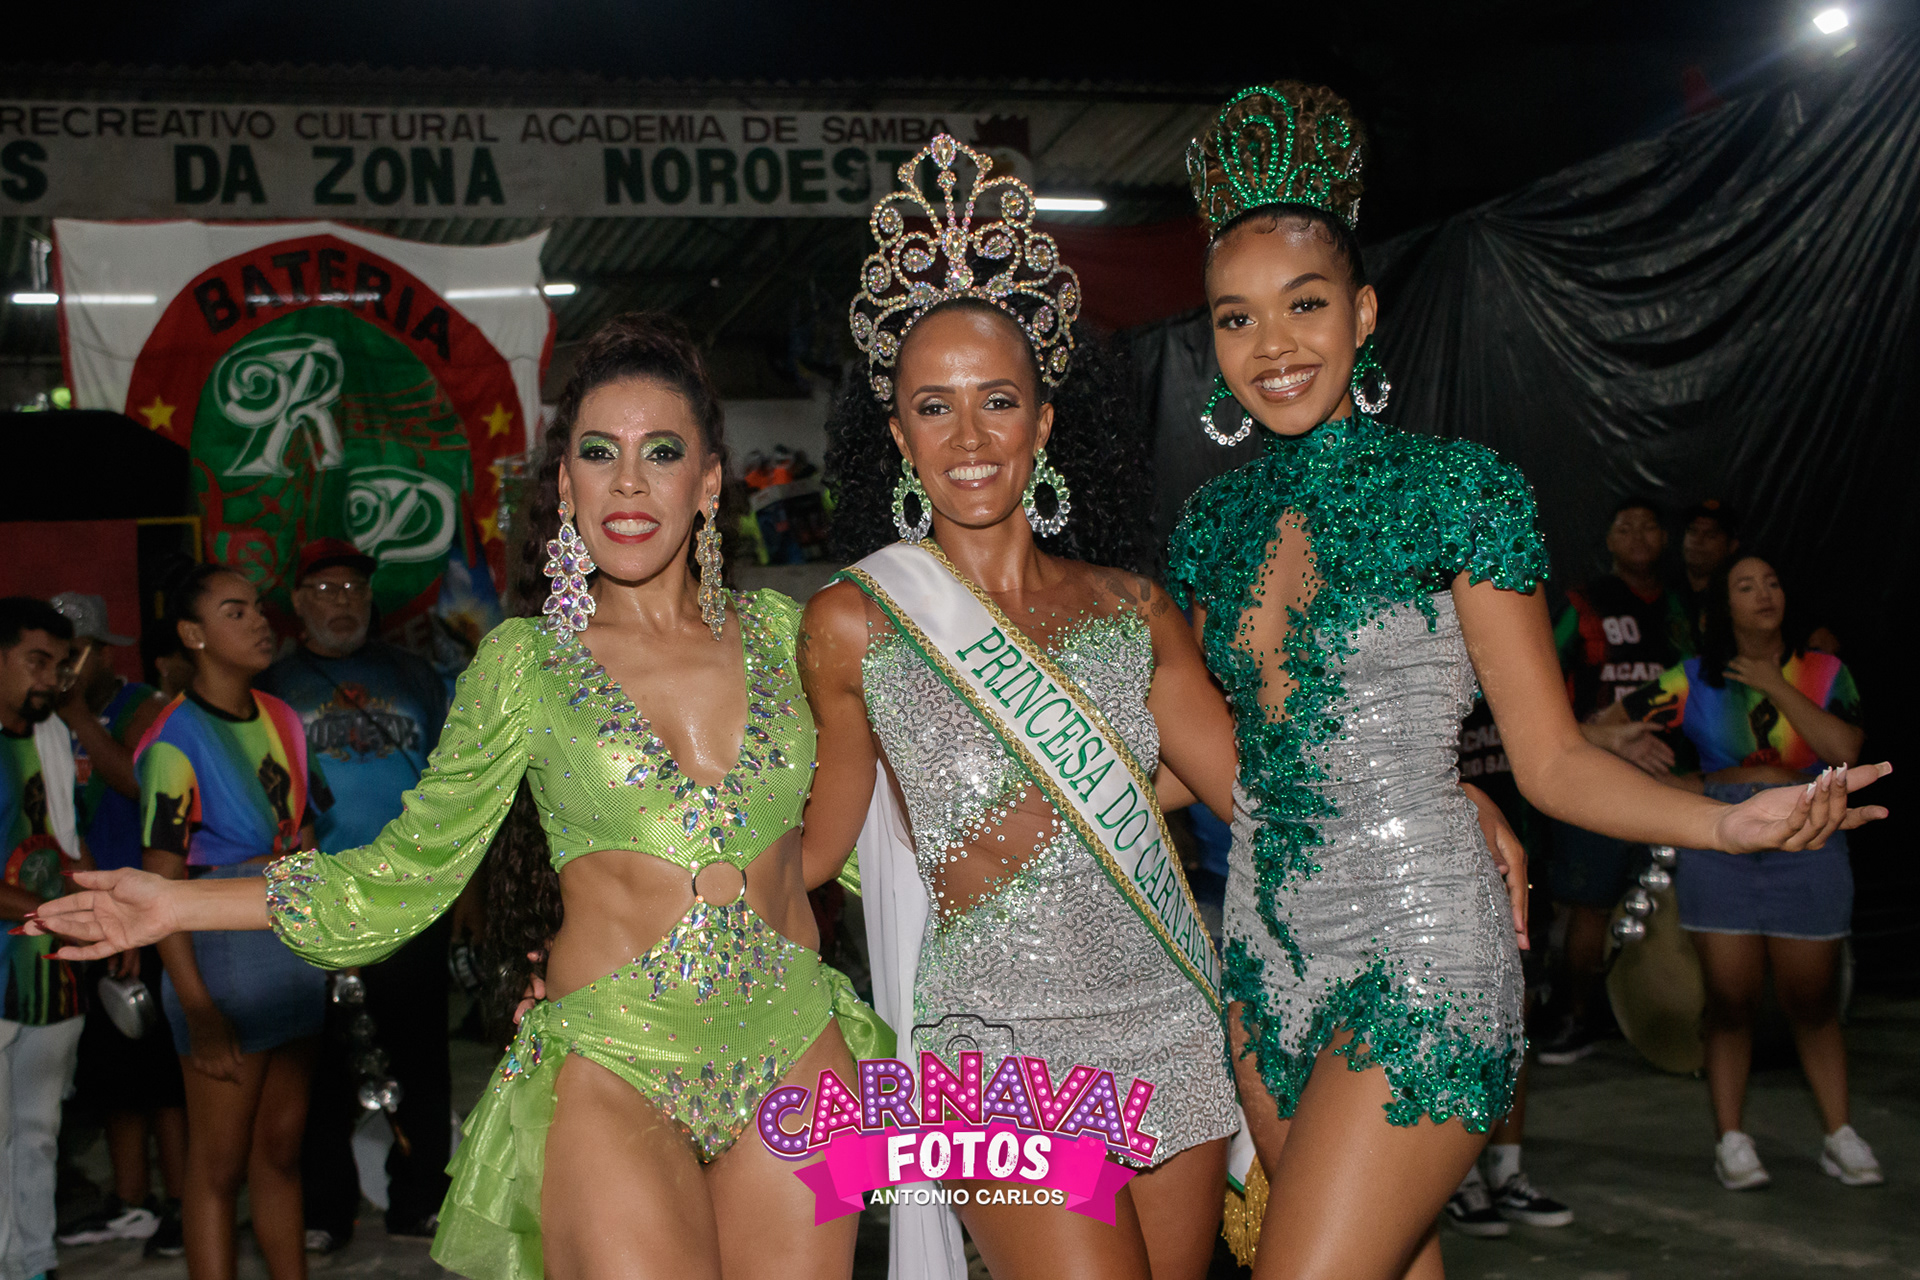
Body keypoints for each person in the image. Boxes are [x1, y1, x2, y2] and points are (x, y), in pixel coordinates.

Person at [1167, 82, 1886, 1280]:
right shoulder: (1210, 530)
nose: (1274, 343)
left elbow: (1550, 759)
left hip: (1423, 941)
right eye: (1236, 317)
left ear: (1364, 311)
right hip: (1264, 957)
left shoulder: (1460, 491)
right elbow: (1209, 759)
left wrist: (1729, 823)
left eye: (1304, 303)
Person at [28, 313, 891, 1280]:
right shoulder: (525, 665)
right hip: (617, 1060)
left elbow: (858, 837)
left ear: (711, 483)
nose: (629, 483)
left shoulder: (787, 635)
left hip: (794, 1044)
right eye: (598, 454)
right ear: (564, 487)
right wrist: (177, 902)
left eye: (662, 452)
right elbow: (408, 870)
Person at [800, 134, 1244, 1280]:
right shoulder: (856, 621)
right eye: (933, 407)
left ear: (1042, 423)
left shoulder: (1134, 608)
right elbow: (809, 851)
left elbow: (1259, 793)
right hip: (991, 1047)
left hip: (1167, 1015)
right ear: (898, 434)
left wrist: (1437, 805)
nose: (968, 438)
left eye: (996, 401)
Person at [1593, 555, 1881, 1190]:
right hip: (1721, 840)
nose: (1763, 594)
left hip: (1810, 833)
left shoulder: (1823, 670)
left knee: (1813, 998)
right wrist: (1664, 774)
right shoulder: (1695, 677)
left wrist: (1774, 683)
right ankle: (1731, 1139)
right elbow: (1592, 733)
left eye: (1772, 582)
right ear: (1723, 607)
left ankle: (1840, 1134)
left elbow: (1843, 750)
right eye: (1745, 586)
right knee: (1729, 1000)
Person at [117, 563, 327, 1280]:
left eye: (258, 608)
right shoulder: (174, 741)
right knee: (216, 1169)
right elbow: (160, 891)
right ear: (192, 634)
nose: (259, 621)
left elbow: (305, 836)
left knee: (281, 1151)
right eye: (235, 612)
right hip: (221, 958)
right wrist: (198, 1008)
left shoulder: (283, 718)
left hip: (291, 944)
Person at [257, 539, 456, 1250]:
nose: (342, 602)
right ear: (298, 603)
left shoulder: (416, 676)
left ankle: (419, 1199)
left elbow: (454, 780)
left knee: (419, 1052)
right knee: (323, 1060)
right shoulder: (273, 686)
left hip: (411, 894)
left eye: (354, 589)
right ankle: (325, 1208)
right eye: (326, 589)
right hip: (319, 892)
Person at [45, 592, 186, 1257]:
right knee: (111, 1069)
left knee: (160, 1071)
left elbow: (141, 784)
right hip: (85, 908)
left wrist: (77, 713)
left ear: (103, 651)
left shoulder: (145, 708)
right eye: (54, 656)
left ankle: (182, 1201)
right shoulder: (38, 714)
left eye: (75, 653)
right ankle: (133, 1200)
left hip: (148, 908)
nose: (64, 668)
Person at [1541, 497, 1697, 1064]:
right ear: (1608, 542)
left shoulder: (1682, 607)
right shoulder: (1583, 604)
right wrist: (1594, 738)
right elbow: (1541, 683)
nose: (1638, 535)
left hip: (1672, 775)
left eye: (1649, 525)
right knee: (1589, 904)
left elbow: (1707, 680)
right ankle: (1574, 1016)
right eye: (1624, 527)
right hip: (1597, 775)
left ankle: (1675, 1018)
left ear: (1665, 538)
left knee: (1677, 901)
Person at [1443, 699, 1572, 1237]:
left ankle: (1507, 1170)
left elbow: (1561, 751)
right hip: (1439, 880)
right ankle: (1458, 1177)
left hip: (1516, 864)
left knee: (1512, 1029)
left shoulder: (1505, 688)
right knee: (1449, 1030)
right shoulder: (1436, 691)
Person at [0, 597, 92, 1280]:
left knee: (39, 1130)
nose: (51, 679)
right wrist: (58, 909)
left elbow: (69, 845)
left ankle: (35, 1262)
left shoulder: (53, 737)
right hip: (11, 956)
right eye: (36, 661)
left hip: (48, 966)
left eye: (60, 666)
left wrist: (104, 911)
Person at [1677, 499, 1740, 635]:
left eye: (1710, 535)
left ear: (1732, 546)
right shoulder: (1662, 587)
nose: (1698, 541)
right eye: (1692, 532)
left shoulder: (1737, 599)